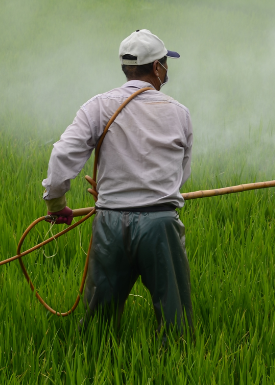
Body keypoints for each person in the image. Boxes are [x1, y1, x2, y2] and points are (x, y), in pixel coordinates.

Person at [41, 29, 193, 335]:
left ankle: (94, 366)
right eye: (165, 63)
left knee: (99, 322)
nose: (166, 70)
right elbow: (181, 173)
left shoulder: (98, 106)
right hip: (160, 223)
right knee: (176, 322)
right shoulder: (178, 113)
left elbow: (62, 154)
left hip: (110, 222)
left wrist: (57, 204)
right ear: (155, 67)